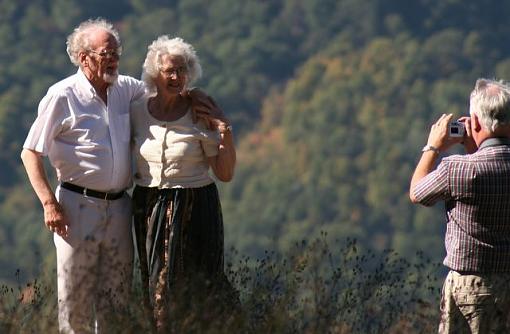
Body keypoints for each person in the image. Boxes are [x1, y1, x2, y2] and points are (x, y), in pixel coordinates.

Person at [20, 18, 147, 333]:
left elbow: (165, 94)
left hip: (120, 207)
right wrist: (49, 203)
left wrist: (202, 104)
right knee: (75, 302)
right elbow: (30, 152)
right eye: (107, 53)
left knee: (117, 301)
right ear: (83, 57)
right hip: (76, 207)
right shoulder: (62, 95)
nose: (114, 59)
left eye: (116, 52)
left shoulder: (126, 88)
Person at [130, 36, 236, 331]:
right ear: (155, 72)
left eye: (182, 70)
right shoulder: (137, 110)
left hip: (193, 205)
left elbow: (225, 173)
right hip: (148, 206)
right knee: (154, 283)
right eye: (169, 71)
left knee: (193, 284)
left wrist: (224, 129)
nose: (176, 77)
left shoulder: (200, 110)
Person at [410, 78, 510, 333]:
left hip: (470, 289)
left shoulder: (458, 169)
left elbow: (417, 193)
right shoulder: (465, 167)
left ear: (475, 122)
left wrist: (433, 147)